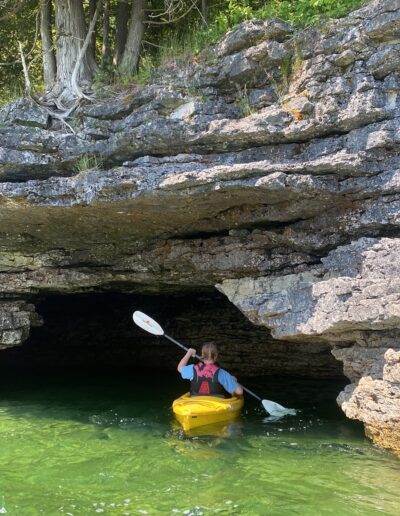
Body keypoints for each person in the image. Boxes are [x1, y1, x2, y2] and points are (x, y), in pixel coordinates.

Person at [177, 342, 243, 398]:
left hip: (195, 404)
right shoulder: (222, 373)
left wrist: (189, 353)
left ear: (202, 355)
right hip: (215, 406)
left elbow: (180, 368)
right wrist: (234, 381)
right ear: (216, 356)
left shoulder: (193, 369)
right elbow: (240, 392)